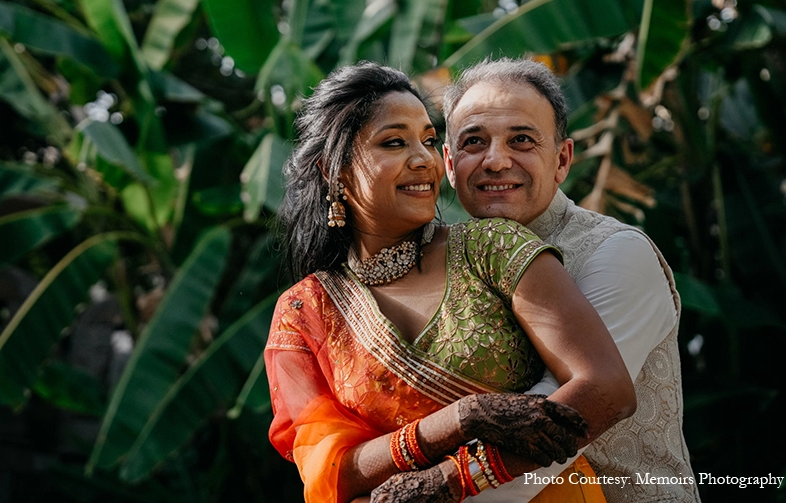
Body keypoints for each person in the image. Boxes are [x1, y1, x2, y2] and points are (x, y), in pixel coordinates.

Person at [264, 62, 636, 503]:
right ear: (334, 171)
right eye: (394, 142)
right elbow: (330, 472)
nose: (424, 159)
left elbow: (606, 387)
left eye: (427, 139)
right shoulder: (306, 310)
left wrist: (457, 478)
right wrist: (462, 417)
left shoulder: (490, 246)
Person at [441, 57, 701, 503]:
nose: (497, 160)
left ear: (562, 159)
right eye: (474, 142)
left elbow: (548, 427)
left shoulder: (617, 253)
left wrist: (428, 490)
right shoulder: (442, 263)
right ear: (449, 162)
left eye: (521, 140)